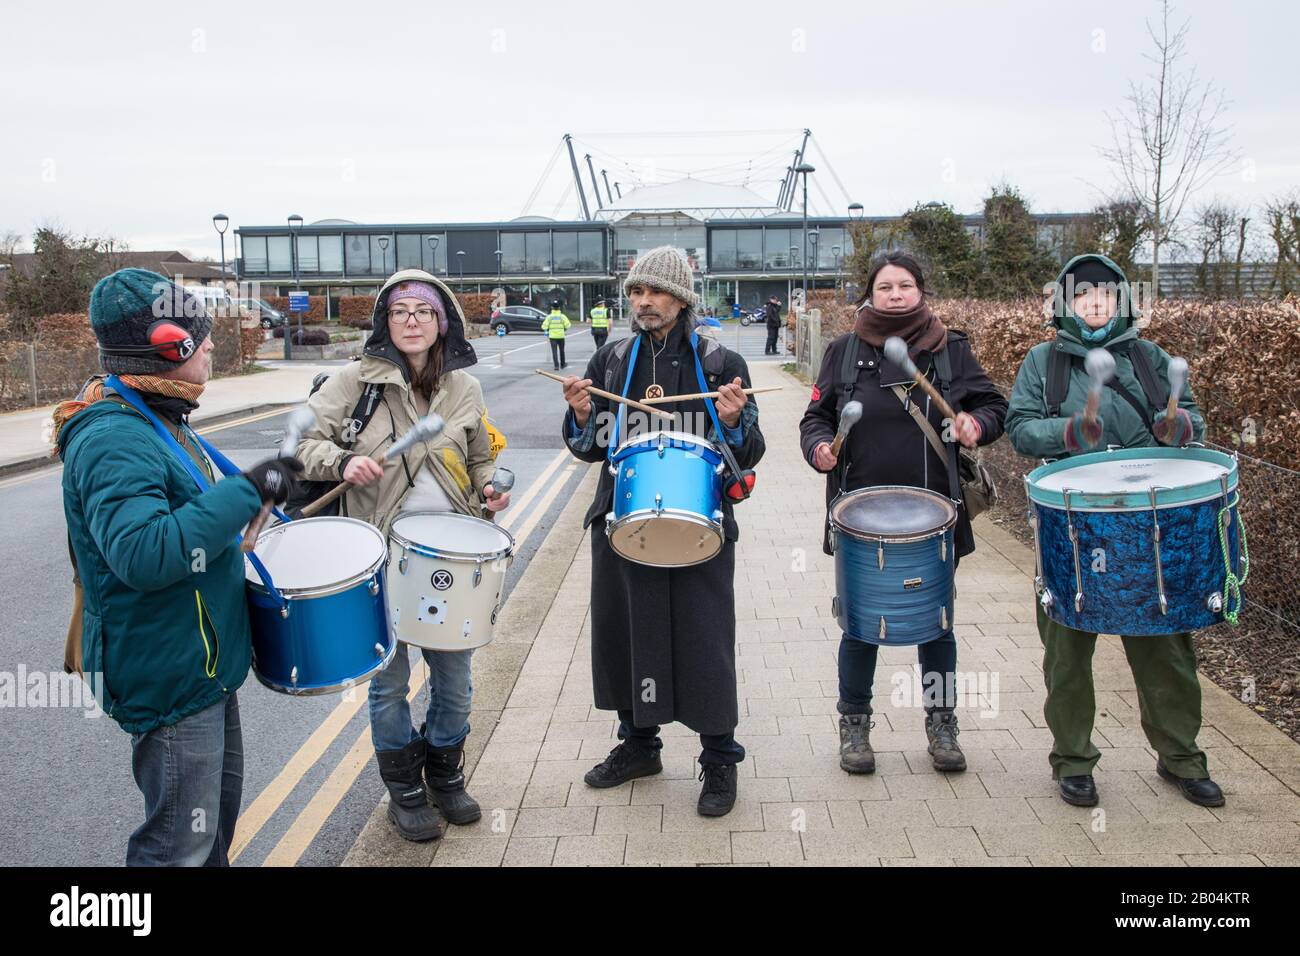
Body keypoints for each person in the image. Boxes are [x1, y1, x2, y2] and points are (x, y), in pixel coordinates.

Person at [55, 268, 303, 866]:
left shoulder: (161, 417)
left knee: (210, 833)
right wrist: (246, 492)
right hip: (171, 676)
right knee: (176, 849)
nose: (214, 344)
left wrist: (251, 507)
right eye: (202, 335)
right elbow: (144, 554)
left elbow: (193, 528)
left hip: (202, 667)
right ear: (171, 347)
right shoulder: (115, 436)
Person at [296, 269, 512, 841]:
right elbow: (299, 442)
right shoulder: (353, 382)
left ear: (443, 322)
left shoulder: (464, 388)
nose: (410, 320)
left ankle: (445, 775)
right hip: (379, 552)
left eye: (422, 311)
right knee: (389, 682)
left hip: (452, 556)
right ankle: (405, 792)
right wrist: (342, 463)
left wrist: (492, 485)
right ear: (385, 322)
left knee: (455, 679)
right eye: (398, 311)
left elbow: (481, 452)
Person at [1004, 253, 1223, 808]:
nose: (1095, 303)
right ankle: (1074, 761)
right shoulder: (1043, 362)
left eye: (1106, 295)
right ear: (1065, 304)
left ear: (1123, 302)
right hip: (1071, 524)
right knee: (1067, 649)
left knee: (1164, 647)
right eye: (1082, 295)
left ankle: (1181, 758)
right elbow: (1022, 431)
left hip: (1147, 523)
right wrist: (1072, 431)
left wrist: (1180, 425)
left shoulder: (1150, 360)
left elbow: (1190, 420)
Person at [559, 246, 765, 817]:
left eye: (655, 292)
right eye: (635, 292)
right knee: (630, 633)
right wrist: (581, 416)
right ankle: (640, 745)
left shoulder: (720, 362)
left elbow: (750, 452)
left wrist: (731, 421)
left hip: (700, 520)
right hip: (624, 519)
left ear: (681, 298)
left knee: (703, 639)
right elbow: (594, 447)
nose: (643, 302)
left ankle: (719, 759)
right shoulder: (612, 359)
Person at [799, 252, 1007, 776]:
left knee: (936, 624)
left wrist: (975, 426)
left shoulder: (950, 349)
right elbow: (815, 418)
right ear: (870, 293)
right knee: (860, 625)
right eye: (886, 286)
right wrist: (821, 447)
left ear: (921, 291)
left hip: (934, 514)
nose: (896, 294)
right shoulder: (844, 352)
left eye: (906, 285)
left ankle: (941, 724)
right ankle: (855, 726)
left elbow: (994, 406)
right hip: (859, 518)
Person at [543, 301, 571, 370]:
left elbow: (544, 326)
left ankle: (556, 366)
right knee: (562, 351)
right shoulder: (562, 316)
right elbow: (568, 325)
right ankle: (563, 364)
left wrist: (547, 330)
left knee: (554, 351)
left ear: (552, 308)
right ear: (559, 308)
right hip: (561, 336)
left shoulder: (549, 317)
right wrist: (564, 329)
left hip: (552, 337)